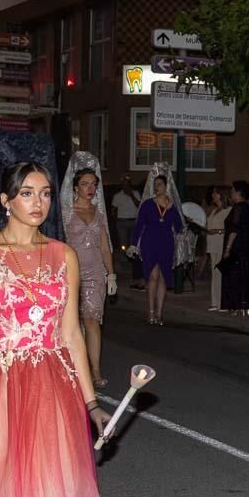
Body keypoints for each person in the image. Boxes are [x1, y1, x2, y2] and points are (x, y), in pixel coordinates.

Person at [0, 162, 106, 497]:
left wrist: (90, 401)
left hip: (51, 389)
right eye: (25, 192)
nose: (37, 202)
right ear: (5, 200)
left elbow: (71, 335)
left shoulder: (63, 255)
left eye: (44, 193)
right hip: (2, 387)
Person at [61, 152, 117, 389]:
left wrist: (111, 273)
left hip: (95, 272)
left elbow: (104, 246)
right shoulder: (65, 212)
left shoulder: (99, 213)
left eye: (93, 185)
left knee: (92, 320)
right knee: (72, 323)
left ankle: (94, 371)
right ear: (75, 188)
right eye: (85, 184)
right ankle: (74, 366)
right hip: (70, 273)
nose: (90, 188)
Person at [130, 164, 184, 325]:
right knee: (152, 276)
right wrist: (133, 244)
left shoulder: (172, 206)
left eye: (159, 184)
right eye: (155, 185)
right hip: (150, 242)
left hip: (166, 242)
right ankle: (151, 312)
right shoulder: (147, 204)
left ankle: (159, 313)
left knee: (163, 277)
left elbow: (179, 227)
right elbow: (139, 224)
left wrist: (173, 210)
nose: (156, 187)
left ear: (166, 187)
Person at [221, 180, 249, 317]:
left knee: (234, 277)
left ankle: (235, 305)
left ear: (238, 193)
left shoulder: (238, 208)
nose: (231, 193)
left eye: (232, 191)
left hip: (236, 248)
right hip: (246, 248)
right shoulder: (248, 208)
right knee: (244, 276)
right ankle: (244, 305)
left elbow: (234, 230)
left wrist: (227, 248)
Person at [110, 175, 141, 287]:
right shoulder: (117, 196)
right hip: (122, 222)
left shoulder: (136, 193)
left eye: (127, 184)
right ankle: (125, 262)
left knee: (133, 244)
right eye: (124, 184)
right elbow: (113, 210)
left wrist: (131, 195)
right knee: (124, 244)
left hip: (134, 222)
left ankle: (133, 263)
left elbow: (140, 206)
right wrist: (115, 219)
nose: (126, 186)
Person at [205, 186, 232, 311]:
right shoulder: (214, 210)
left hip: (221, 242)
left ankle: (224, 303)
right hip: (212, 243)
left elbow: (231, 229)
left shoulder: (228, 210)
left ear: (221, 195)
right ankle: (215, 302)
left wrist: (218, 231)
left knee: (221, 273)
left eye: (215, 193)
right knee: (214, 272)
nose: (213, 195)